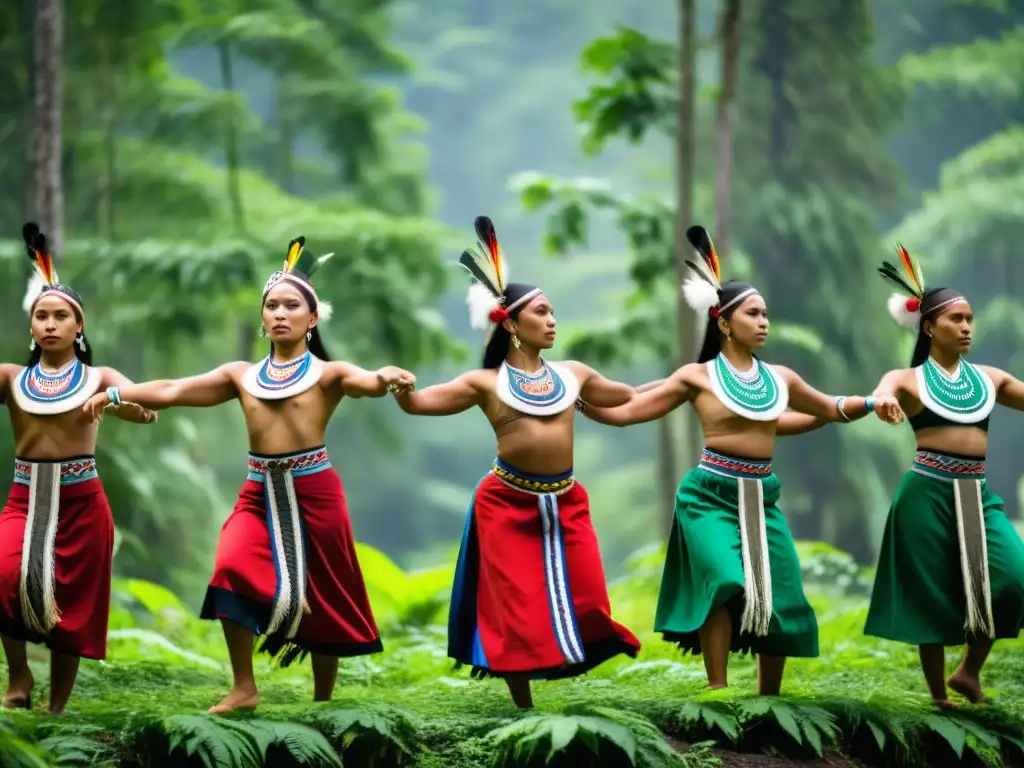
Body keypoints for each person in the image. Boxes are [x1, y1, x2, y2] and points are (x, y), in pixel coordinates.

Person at [83, 236, 416, 714]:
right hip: (258, 492)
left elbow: (367, 381)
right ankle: (244, 686)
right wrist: (117, 396)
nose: (280, 313)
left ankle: (323, 701)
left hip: (315, 491)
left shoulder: (330, 373)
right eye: (272, 306)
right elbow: (175, 389)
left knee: (327, 594)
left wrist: (386, 376)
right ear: (262, 319)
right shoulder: (242, 375)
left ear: (313, 317)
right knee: (231, 567)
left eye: (292, 305)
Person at [580, 225, 904, 695]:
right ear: (724, 322)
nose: (764, 321)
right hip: (709, 496)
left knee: (783, 593)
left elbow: (829, 408)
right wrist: (576, 402)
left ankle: (768, 700)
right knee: (726, 579)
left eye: (767, 314)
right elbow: (630, 411)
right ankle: (718, 690)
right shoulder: (697, 376)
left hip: (762, 496)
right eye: (753, 314)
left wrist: (871, 403)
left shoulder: (781, 378)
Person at [391, 215, 641, 708]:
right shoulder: (484, 383)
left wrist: (689, 384)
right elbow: (420, 404)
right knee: (514, 605)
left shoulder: (574, 374)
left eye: (553, 313)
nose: (552, 320)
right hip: (505, 502)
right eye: (543, 312)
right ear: (512, 322)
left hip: (566, 499)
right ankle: (522, 704)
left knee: (590, 593)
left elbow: (629, 396)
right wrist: (403, 391)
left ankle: (571, 653)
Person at [0, 223, 158, 714]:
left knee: (74, 609)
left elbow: (145, 408)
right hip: (24, 498)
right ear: (31, 326)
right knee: (3, 575)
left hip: (83, 503)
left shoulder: (99, 376)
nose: (50, 324)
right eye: (41, 315)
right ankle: (20, 675)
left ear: (78, 326)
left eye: (60, 316)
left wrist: (114, 401)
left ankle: (56, 709)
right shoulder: (10, 376)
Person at [864, 245, 1024, 708]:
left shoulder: (990, 378)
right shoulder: (908, 378)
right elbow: (884, 389)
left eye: (970, 318)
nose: (967, 326)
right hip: (925, 492)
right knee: (929, 593)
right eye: (957, 319)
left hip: (977, 491)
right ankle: (938, 698)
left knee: (1013, 578)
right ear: (930, 326)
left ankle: (968, 670)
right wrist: (883, 401)